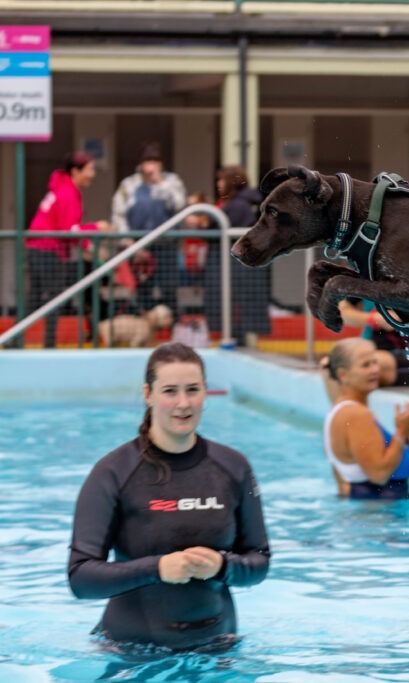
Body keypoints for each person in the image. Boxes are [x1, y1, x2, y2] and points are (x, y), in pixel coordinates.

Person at [67, 342, 270, 650]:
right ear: (148, 394)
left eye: (193, 389)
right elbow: (81, 578)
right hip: (132, 654)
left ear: (206, 392)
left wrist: (222, 566)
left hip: (219, 650)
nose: (183, 403)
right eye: (170, 391)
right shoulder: (113, 472)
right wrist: (157, 569)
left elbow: (259, 561)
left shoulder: (233, 467)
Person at [25, 151, 113, 348]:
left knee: (35, 299)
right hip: (48, 250)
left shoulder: (62, 189)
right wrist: (96, 228)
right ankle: (48, 345)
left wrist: (87, 244)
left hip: (38, 248)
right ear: (76, 171)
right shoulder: (67, 193)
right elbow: (69, 230)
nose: (93, 174)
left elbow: (68, 230)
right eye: (90, 169)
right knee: (54, 299)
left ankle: (16, 341)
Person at [320, 337, 409, 500]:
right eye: (366, 365)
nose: (375, 370)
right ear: (343, 374)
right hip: (378, 515)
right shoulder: (357, 415)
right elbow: (379, 474)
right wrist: (403, 431)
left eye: (375, 363)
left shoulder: (339, 408)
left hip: (367, 512)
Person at [111, 142, 187, 314]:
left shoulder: (172, 181)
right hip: (139, 247)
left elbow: (179, 205)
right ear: (140, 164)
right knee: (143, 289)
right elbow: (118, 215)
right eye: (147, 161)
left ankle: (172, 330)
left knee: (169, 288)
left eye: (155, 161)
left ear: (161, 163)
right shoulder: (128, 185)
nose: (151, 165)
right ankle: (145, 332)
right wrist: (128, 242)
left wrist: (160, 183)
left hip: (166, 245)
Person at [204, 165, 270, 347]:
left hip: (235, 271)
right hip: (243, 271)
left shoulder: (236, 206)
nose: (218, 184)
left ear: (230, 182)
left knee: (234, 315)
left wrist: (202, 226)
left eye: (221, 180)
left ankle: (236, 343)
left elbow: (216, 232)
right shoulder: (247, 203)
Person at [338, 298, 409, 387]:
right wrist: (372, 318)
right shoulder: (365, 284)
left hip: (407, 357)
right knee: (329, 365)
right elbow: (341, 312)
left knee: (356, 366)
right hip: (367, 352)